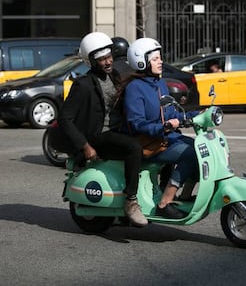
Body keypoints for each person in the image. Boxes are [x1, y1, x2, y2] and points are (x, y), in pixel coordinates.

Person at [58, 32, 148, 227]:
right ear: (91, 61)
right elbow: (65, 119)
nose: (108, 62)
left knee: (159, 142)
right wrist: (85, 146)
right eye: (101, 59)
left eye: (109, 57)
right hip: (99, 136)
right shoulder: (83, 84)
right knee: (133, 147)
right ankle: (131, 202)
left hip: (118, 131)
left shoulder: (114, 76)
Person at [121, 37, 199, 219]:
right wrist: (162, 127)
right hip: (147, 143)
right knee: (191, 153)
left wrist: (194, 116)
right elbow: (136, 123)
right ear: (142, 61)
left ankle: (185, 195)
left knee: (201, 149)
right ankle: (165, 203)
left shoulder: (160, 84)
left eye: (159, 58)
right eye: (155, 59)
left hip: (163, 138)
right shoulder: (135, 88)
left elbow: (170, 114)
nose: (160, 61)